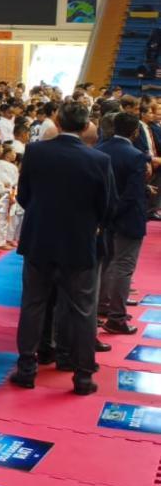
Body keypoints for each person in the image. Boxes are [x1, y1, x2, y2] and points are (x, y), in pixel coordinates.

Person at [11, 100, 116, 394]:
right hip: (79, 244)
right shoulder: (98, 160)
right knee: (83, 311)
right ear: (85, 127)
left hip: (39, 241)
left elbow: (23, 196)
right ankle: (83, 377)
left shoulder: (36, 152)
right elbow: (107, 207)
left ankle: (26, 370)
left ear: (57, 123)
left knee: (33, 305)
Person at [97, 111, 148, 335]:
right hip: (127, 217)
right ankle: (116, 317)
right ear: (135, 132)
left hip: (104, 216)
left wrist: (108, 212)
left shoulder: (99, 150)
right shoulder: (136, 156)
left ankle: (101, 306)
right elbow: (132, 194)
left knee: (105, 263)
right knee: (123, 266)